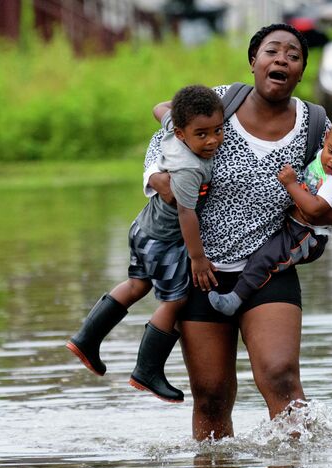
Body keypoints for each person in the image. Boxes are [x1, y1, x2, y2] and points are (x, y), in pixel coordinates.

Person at [144, 23, 332, 439]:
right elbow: (163, 138)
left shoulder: (317, 126)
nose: (282, 59)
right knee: (211, 394)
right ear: (253, 61)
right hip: (201, 269)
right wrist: (157, 178)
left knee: (281, 376)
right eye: (272, 51)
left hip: (268, 267)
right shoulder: (219, 102)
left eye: (293, 55)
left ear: (300, 71)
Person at [66, 84, 224, 403]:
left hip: (143, 229)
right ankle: (147, 370)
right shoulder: (189, 168)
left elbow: (158, 107)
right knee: (175, 301)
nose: (212, 141)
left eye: (218, 131)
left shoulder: (172, 127)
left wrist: (180, 109)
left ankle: (86, 338)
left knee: (138, 284)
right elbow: (186, 213)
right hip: (166, 240)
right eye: (201, 134)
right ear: (181, 135)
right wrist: (197, 258)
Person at [208, 112, 332, 315]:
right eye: (331, 151)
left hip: (306, 236)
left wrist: (290, 184)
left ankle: (235, 299)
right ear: (326, 137)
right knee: (262, 251)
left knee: (266, 258)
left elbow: (314, 209)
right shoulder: (320, 155)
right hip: (293, 226)